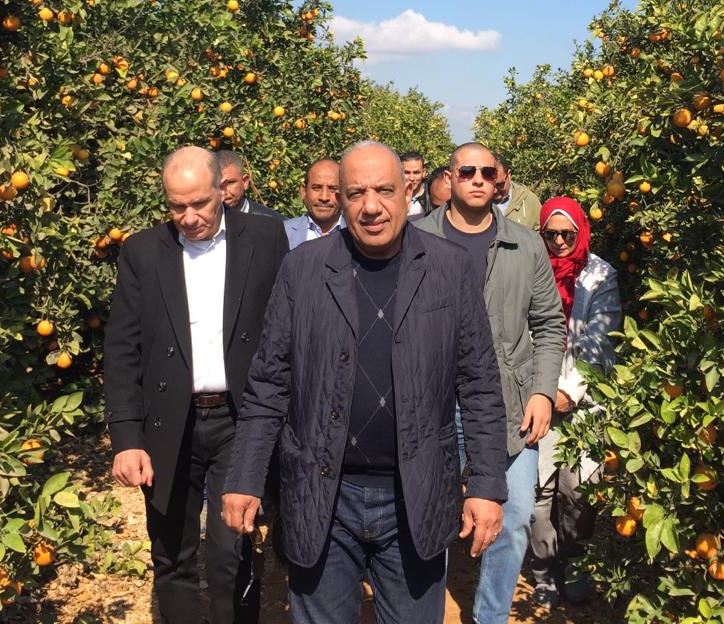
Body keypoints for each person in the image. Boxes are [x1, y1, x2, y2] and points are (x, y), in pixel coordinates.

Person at [222, 141, 508, 624]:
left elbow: (479, 384)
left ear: (407, 192)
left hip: (415, 496)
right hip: (323, 495)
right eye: (356, 193)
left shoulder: (450, 268)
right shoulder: (303, 269)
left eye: (384, 190)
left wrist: (486, 485)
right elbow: (268, 384)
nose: (371, 206)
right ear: (341, 199)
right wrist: (246, 477)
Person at [103, 146, 290, 624]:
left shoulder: (265, 238)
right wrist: (126, 438)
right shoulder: (143, 252)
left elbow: (285, 329)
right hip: (170, 422)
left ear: (222, 191)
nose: (188, 217)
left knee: (232, 549)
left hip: (239, 419)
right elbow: (122, 349)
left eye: (199, 204)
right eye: (176, 206)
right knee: (171, 553)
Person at [413, 143, 565, 624]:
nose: (478, 179)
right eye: (467, 171)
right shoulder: (416, 238)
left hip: (509, 402)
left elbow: (549, 324)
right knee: (430, 516)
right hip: (434, 403)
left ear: (499, 180)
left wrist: (542, 391)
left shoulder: (526, 243)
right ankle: (423, 611)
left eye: (487, 172)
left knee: (515, 516)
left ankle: (491, 616)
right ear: (450, 178)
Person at [526, 197, 621, 607]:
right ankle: (544, 570)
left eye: (568, 233)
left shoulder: (600, 275)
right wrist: (542, 391)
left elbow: (600, 339)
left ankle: (576, 561)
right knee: (538, 493)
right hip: (537, 397)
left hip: (584, 402)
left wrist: (569, 391)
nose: (560, 241)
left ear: (581, 232)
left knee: (579, 492)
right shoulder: (532, 270)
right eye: (552, 234)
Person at [284, 158, 343, 249]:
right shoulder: (284, 232)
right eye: (317, 188)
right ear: (303, 191)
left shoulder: (357, 233)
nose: (324, 197)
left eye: (332, 189)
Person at [217, 150, 283, 220]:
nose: (224, 192)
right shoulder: (209, 222)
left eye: (230, 183)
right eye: (216, 185)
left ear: (245, 182)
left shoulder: (273, 222)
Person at [492, 153, 542, 231]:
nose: (495, 191)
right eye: (491, 185)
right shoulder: (478, 202)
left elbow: (540, 232)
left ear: (509, 175)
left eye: (500, 184)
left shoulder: (528, 200)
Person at [400, 150, 429, 218]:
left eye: (416, 173)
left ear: (424, 173)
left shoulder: (431, 196)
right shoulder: (392, 196)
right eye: (407, 173)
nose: (411, 178)